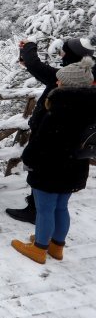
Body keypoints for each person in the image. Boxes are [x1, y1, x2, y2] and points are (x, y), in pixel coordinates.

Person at [11, 56, 96, 263]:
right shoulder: (90, 106)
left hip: (50, 167)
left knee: (45, 208)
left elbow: (41, 141)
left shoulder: (60, 107)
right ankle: (57, 247)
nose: (56, 82)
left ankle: (39, 248)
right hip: (75, 166)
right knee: (61, 207)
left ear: (69, 84)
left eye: (60, 80)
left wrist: (28, 158)